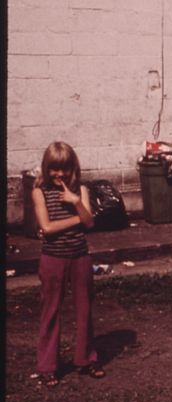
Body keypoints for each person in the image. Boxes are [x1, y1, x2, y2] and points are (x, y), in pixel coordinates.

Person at [32, 141, 105, 387]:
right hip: (53, 258)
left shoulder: (80, 190)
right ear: (46, 168)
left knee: (85, 309)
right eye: (54, 169)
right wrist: (79, 217)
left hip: (80, 257)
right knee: (50, 310)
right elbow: (47, 227)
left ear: (72, 168)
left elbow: (91, 223)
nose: (59, 174)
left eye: (64, 168)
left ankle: (86, 358)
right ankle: (47, 366)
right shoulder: (39, 192)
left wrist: (75, 201)